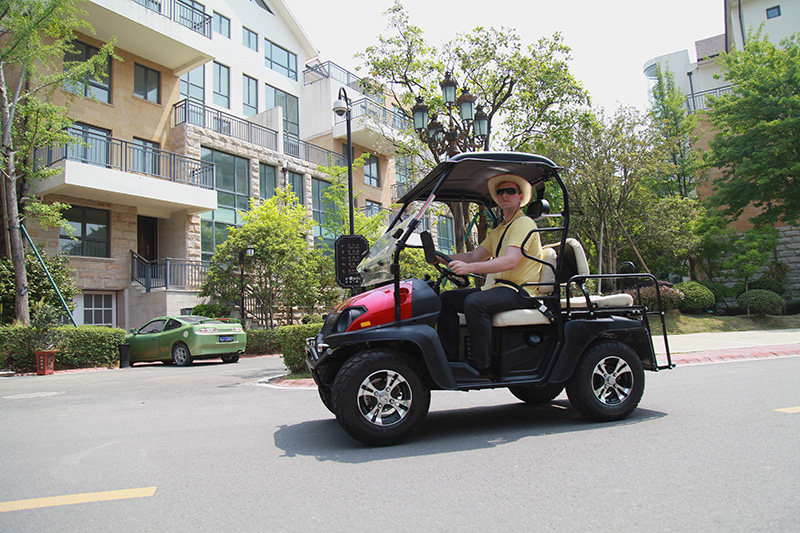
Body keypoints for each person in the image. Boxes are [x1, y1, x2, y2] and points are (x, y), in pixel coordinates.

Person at [433, 173, 543, 375]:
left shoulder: (523, 224)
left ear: (520, 197)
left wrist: (469, 269)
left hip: (521, 291)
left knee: (475, 303)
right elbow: (474, 255)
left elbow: (510, 261)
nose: (505, 195)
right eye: (500, 192)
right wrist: (442, 258)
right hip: (500, 288)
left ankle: (481, 367)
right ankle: (449, 361)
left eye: (510, 191)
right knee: (446, 299)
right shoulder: (499, 230)